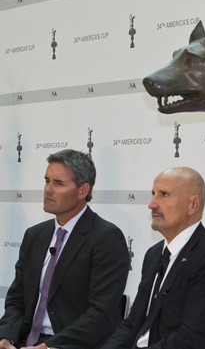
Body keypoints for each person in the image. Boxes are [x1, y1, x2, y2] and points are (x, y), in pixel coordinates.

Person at [0, 149, 130, 349]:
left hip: (69, 344)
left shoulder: (106, 238)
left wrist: (49, 347)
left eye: (58, 183)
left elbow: (100, 314)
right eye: (46, 181)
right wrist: (6, 338)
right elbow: (17, 299)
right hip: (25, 341)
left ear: (82, 191)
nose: (48, 190)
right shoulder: (35, 235)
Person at [101, 167, 205, 349]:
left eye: (164, 194)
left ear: (193, 205)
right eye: (153, 194)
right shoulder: (153, 254)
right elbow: (133, 322)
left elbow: (192, 339)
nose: (152, 204)